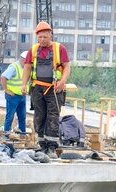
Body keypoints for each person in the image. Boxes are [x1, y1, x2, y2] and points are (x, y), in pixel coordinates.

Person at [21, 21, 70, 156]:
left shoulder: (59, 49)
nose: (42, 40)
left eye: (45, 37)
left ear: (51, 36)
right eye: (40, 37)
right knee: (39, 116)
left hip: (54, 88)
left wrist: (63, 81)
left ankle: (52, 147)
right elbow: (27, 67)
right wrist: (24, 84)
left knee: (53, 117)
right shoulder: (34, 50)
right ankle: (42, 145)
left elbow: (66, 66)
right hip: (37, 88)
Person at [0, 51, 28, 137]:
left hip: (22, 96)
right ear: (23, 60)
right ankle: (7, 136)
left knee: (22, 117)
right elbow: (3, 77)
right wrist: (6, 90)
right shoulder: (14, 67)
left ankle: (22, 135)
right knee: (10, 117)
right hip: (13, 96)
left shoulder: (27, 68)